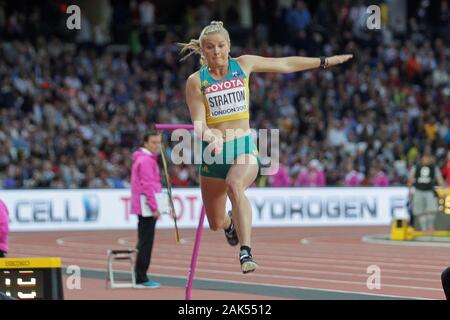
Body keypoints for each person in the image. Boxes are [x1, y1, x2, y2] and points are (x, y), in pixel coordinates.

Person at [180, 21, 352, 273]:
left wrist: (324, 61)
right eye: (210, 47)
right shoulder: (196, 81)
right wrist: (210, 136)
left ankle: (246, 252)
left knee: (235, 185)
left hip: (243, 148)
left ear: (229, 47)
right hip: (214, 154)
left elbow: (285, 64)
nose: (216, 51)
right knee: (215, 222)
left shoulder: (243, 64)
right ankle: (229, 225)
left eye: (220, 46)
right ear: (202, 52)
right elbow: (198, 124)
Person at [130, 130, 162, 288]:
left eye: (158, 143)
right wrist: (155, 207)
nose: (157, 146)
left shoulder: (144, 159)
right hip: (146, 208)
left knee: (143, 241)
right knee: (145, 243)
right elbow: (148, 186)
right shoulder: (146, 161)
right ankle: (141, 277)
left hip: (144, 206)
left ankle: (139, 274)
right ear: (146, 143)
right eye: (154, 143)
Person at [407, 151, 447, 231]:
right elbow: (410, 179)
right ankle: (423, 229)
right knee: (419, 211)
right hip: (418, 190)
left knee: (432, 210)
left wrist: (444, 189)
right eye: (425, 158)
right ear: (422, 159)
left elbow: (439, 179)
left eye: (428, 158)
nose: (427, 160)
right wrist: (409, 190)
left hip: (429, 191)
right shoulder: (416, 167)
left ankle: (430, 227)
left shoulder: (434, 168)